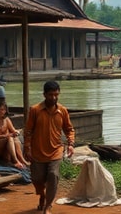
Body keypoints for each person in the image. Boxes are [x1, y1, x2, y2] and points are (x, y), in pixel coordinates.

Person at [24, 81, 75, 214]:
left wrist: (71, 144)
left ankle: (48, 206)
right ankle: (42, 194)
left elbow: (69, 129)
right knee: (37, 179)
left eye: (56, 95)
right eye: (50, 95)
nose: (53, 97)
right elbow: (28, 130)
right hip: (38, 151)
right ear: (44, 94)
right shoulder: (35, 110)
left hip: (56, 150)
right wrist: (27, 147)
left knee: (53, 175)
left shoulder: (62, 111)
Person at [0, 100, 28, 169]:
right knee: (9, 138)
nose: (1, 111)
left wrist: (16, 133)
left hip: (5, 144)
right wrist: (5, 136)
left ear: (5, 111)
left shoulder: (6, 119)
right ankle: (15, 161)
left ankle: (22, 160)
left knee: (15, 139)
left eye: (3, 110)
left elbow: (14, 130)